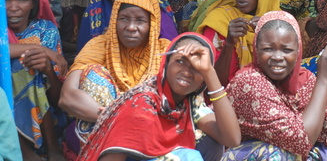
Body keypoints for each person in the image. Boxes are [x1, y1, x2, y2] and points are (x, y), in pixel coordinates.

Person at [77, 32, 241, 160]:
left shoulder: (188, 103)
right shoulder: (142, 104)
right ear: (166, 64)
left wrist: (209, 73)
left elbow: (231, 139)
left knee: (212, 143)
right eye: (180, 61)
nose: (186, 72)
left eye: (197, 68)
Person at [221, 11, 327, 160]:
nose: (277, 57)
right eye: (268, 49)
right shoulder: (249, 81)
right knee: (274, 153)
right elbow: (300, 141)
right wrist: (325, 80)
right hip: (255, 155)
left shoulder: (305, 80)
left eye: (287, 50)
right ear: (256, 49)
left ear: (298, 51)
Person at [59, 0, 171, 144]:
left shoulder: (164, 51)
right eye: (124, 18)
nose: (131, 27)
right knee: (93, 72)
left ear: (152, 24)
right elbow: (67, 97)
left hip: (149, 128)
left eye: (140, 20)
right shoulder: (100, 45)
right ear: (114, 20)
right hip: (103, 125)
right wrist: (117, 118)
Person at [5, 0, 67, 161]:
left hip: (44, 114)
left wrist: (48, 69)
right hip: (4, 114)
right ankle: (28, 150)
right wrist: (41, 50)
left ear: (33, 2)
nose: (13, 7)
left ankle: (49, 145)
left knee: (29, 66)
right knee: (18, 65)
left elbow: (58, 99)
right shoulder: (0, 31)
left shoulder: (45, 31)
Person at [197, 0, 280, 85]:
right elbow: (212, 82)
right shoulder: (219, 20)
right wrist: (229, 44)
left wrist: (269, 36)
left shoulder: (278, 22)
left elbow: (285, 76)